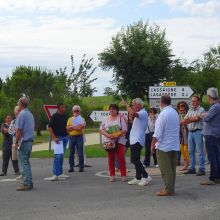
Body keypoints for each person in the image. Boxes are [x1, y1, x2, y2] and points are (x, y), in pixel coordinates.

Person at [151, 95, 180, 196]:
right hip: (174, 144)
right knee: (172, 169)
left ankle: (168, 189)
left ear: (161, 102)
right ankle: (171, 187)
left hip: (164, 145)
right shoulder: (174, 112)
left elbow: (157, 132)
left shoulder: (163, 114)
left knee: (165, 168)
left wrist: (152, 144)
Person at [121, 97, 152, 186]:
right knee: (136, 159)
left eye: (133, 104)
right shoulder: (140, 113)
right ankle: (138, 177)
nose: (132, 106)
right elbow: (133, 118)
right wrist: (129, 119)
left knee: (134, 159)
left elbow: (132, 113)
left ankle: (146, 176)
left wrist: (126, 105)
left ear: (139, 105)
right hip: (135, 139)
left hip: (138, 139)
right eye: (132, 105)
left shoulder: (143, 112)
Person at [100, 104, 127, 182]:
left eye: (113, 109)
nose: (111, 110)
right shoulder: (105, 119)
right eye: (110, 109)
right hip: (109, 141)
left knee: (121, 158)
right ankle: (112, 175)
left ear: (117, 110)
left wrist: (116, 135)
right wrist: (108, 135)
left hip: (119, 141)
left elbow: (124, 129)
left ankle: (123, 174)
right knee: (111, 158)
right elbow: (101, 129)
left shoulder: (121, 118)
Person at [200, 88, 220, 185]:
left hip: (211, 135)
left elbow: (207, 118)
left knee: (212, 157)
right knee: (216, 156)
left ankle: (212, 178)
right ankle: (217, 177)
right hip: (214, 134)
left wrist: (203, 114)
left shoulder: (215, 106)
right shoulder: (216, 106)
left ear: (209, 97)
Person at [15, 97, 35, 191]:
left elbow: (19, 130)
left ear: (20, 104)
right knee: (26, 162)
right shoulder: (30, 114)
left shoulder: (21, 114)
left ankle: (26, 183)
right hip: (30, 141)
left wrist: (16, 143)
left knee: (24, 163)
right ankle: (29, 182)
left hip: (24, 141)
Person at [183, 96, 206, 176]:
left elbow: (197, 118)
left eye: (194, 101)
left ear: (198, 102)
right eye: (192, 101)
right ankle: (192, 168)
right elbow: (185, 120)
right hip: (190, 132)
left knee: (200, 151)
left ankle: (202, 169)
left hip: (198, 132)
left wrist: (190, 118)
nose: (192, 102)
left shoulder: (202, 109)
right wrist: (191, 118)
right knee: (190, 151)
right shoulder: (190, 109)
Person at [48, 103, 69, 181]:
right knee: (57, 156)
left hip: (65, 137)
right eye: (62, 107)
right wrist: (54, 137)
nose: (64, 108)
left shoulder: (66, 116)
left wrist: (69, 134)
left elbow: (67, 127)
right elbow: (49, 127)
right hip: (58, 139)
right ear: (58, 108)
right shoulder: (54, 116)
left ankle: (60, 173)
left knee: (61, 156)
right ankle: (55, 174)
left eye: (64, 107)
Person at [67, 105, 85, 172]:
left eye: (77, 111)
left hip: (79, 137)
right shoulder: (70, 119)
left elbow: (79, 128)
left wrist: (72, 127)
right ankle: (71, 167)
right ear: (72, 111)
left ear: (79, 111)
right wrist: (74, 127)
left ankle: (81, 167)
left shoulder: (82, 119)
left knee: (80, 152)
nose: (75, 112)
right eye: (74, 111)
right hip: (71, 137)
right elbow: (67, 128)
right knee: (71, 153)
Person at [177, 101, 190, 171]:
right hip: (181, 134)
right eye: (179, 106)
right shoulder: (178, 115)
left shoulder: (188, 114)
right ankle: (186, 165)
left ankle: (188, 164)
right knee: (182, 150)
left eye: (182, 106)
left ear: (185, 107)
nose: (180, 108)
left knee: (186, 150)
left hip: (187, 133)